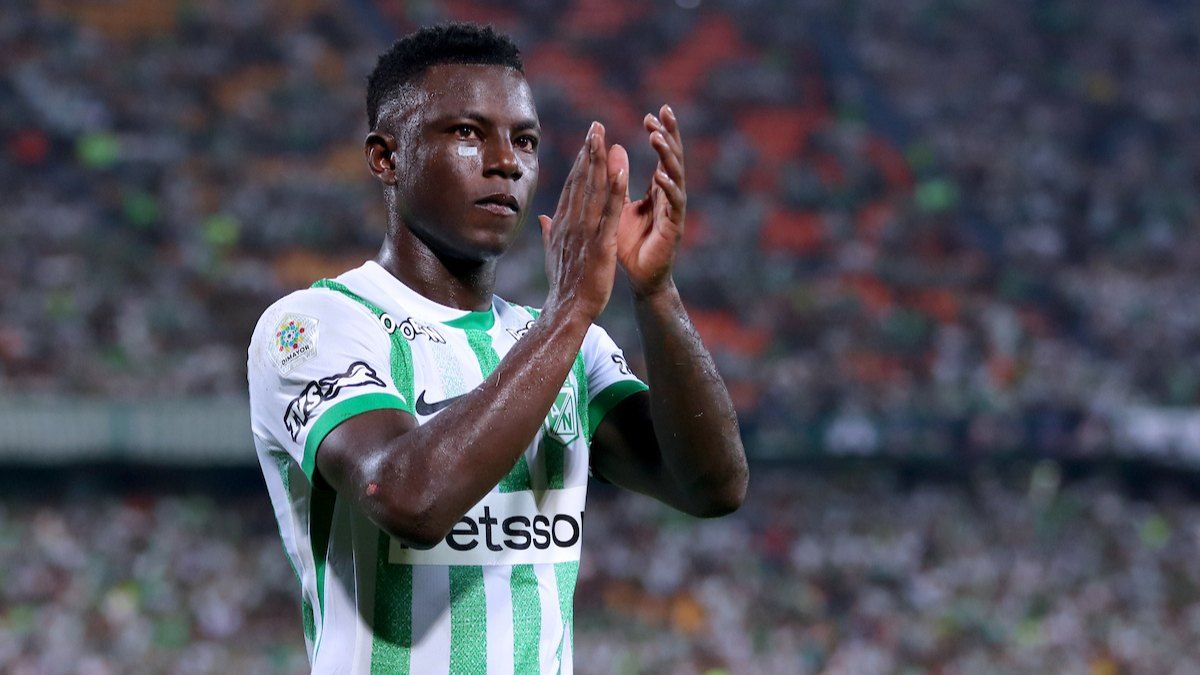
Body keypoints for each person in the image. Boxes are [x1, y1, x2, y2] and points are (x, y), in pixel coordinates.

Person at [247, 22, 747, 674]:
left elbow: (711, 487)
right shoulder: (316, 325)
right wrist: (569, 309)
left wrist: (655, 291)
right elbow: (408, 498)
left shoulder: (570, 345)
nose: (506, 161)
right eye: (467, 132)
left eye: (525, 140)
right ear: (386, 157)